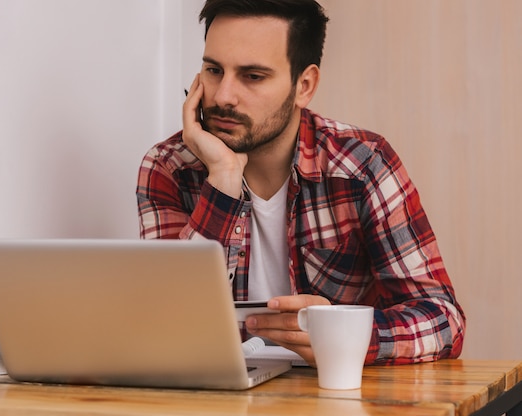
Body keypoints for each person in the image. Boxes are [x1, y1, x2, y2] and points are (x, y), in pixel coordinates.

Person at [136, 0, 465, 365]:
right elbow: (165, 324)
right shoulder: (169, 168)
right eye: (214, 70)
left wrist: (342, 334)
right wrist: (223, 181)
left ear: (303, 86)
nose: (223, 96)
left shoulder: (361, 165)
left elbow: (444, 319)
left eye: (253, 76)